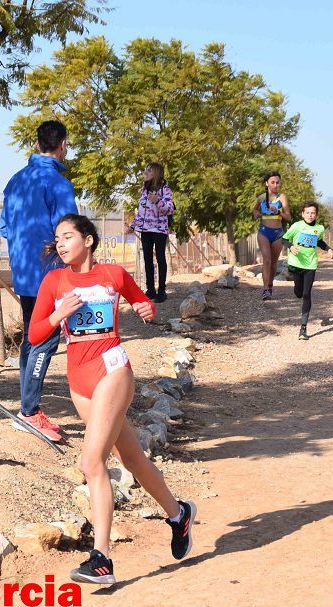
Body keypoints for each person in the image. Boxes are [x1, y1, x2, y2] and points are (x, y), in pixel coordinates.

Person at [28, 214, 196, 584]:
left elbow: (143, 303)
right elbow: (35, 333)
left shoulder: (113, 275)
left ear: (88, 240)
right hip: (78, 380)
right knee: (131, 458)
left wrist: (145, 309)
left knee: (92, 461)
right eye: (56, 238)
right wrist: (58, 314)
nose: (60, 243)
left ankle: (101, 558)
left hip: (112, 368)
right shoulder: (54, 281)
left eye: (67, 236)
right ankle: (178, 513)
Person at [0, 120, 79, 441]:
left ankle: (27, 407)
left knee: (32, 338)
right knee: (45, 342)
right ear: (62, 145)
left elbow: (4, 229)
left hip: (23, 273)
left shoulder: (15, 181)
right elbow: (70, 234)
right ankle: (29, 411)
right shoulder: (58, 184)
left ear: (36, 144)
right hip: (50, 275)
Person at [281, 202, 330, 340]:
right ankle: (297, 289)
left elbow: (319, 242)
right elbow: (284, 239)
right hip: (296, 264)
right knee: (298, 293)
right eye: (307, 212)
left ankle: (303, 328)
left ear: (316, 215)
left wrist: (329, 249)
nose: (310, 215)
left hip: (310, 265)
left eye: (313, 213)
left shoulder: (319, 228)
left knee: (306, 294)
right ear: (303, 214)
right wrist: (290, 246)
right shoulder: (296, 226)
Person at [129, 162, 175, 303]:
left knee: (160, 257)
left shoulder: (165, 189)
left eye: (148, 171)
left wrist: (158, 201)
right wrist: (132, 226)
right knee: (147, 258)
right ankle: (151, 290)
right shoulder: (144, 190)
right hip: (145, 230)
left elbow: (170, 208)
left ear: (155, 173)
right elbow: (141, 212)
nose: (145, 173)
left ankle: (162, 290)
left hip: (159, 229)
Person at [252, 171, 290, 300]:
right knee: (266, 260)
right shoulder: (262, 197)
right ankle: (265, 289)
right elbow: (254, 209)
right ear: (266, 183)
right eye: (272, 182)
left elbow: (288, 216)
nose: (275, 185)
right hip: (264, 231)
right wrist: (256, 214)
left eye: (277, 182)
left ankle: (270, 284)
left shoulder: (282, 197)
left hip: (278, 233)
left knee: (274, 263)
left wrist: (278, 211)